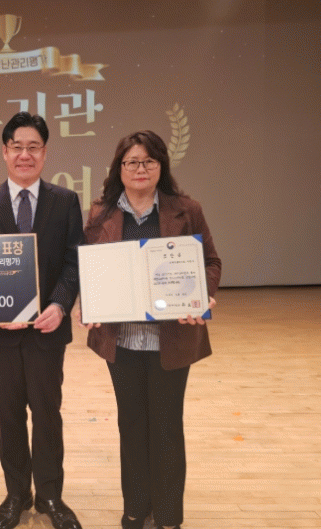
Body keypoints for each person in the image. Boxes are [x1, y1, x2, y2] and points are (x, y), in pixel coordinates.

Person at [80, 130, 222, 529]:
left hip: (171, 338)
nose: (140, 169)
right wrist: (89, 302)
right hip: (121, 339)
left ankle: (169, 514)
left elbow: (211, 262)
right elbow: (91, 267)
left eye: (148, 161)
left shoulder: (186, 209)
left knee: (166, 426)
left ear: (161, 165)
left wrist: (202, 296)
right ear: (119, 168)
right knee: (131, 425)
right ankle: (136, 508)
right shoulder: (101, 213)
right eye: (131, 162)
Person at [0, 112, 84, 529]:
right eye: (17, 147)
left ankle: (50, 495)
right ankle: (17, 493)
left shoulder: (65, 201)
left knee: (48, 413)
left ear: (45, 153)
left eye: (34, 147)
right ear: (4, 151)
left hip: (47, 330)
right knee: (9, 413)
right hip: (2, 336)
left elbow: (73, 261)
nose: (25, 155)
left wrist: (60, 305)